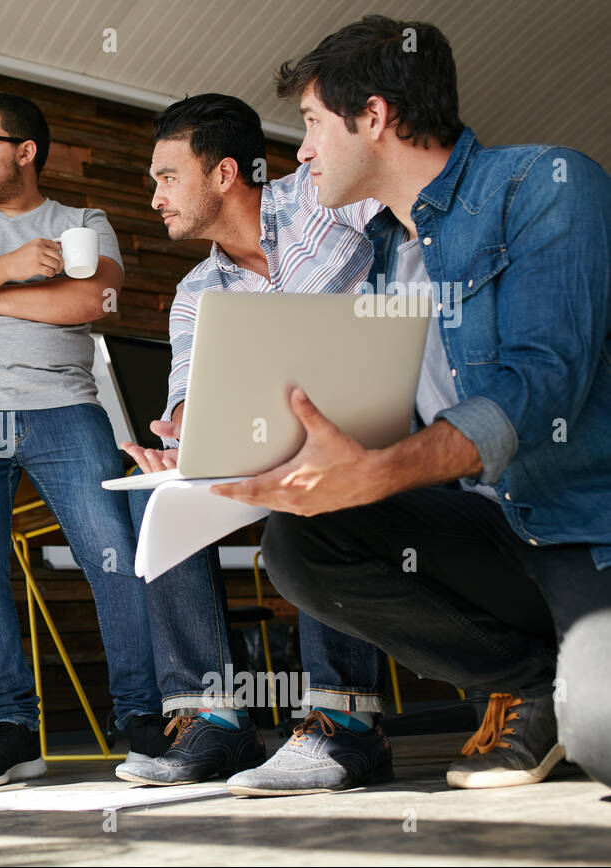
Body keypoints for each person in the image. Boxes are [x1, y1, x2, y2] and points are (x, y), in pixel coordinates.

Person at [212, 15, 611, 795]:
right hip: (492, 532)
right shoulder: (391, 254)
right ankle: (537, 684)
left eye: (315, 124)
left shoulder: (548, 185)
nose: (302, 151)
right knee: (301, 540)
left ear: (374, 118)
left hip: (580, 531)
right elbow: (405, 418)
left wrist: (385, 470)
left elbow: (543, 382)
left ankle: (576, 690)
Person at [114, 93, 390, 787]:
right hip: (259, 447)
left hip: (371, 430)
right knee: (157, 498)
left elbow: (409, 229)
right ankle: (214, 724)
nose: (154, 198)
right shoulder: (194, 293)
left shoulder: (327, 196)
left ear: (225, 173)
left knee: (322, 474)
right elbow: (189, 391)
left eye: (166, 177)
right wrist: (179, 436)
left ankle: (344, 725)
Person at [0, 93, 167, 788]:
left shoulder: (81, 221)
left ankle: (142, 718)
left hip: (63, 409)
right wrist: (12, 267)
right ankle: (11, 730)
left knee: (113, 555)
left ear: (26, 151)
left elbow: (91, 302)